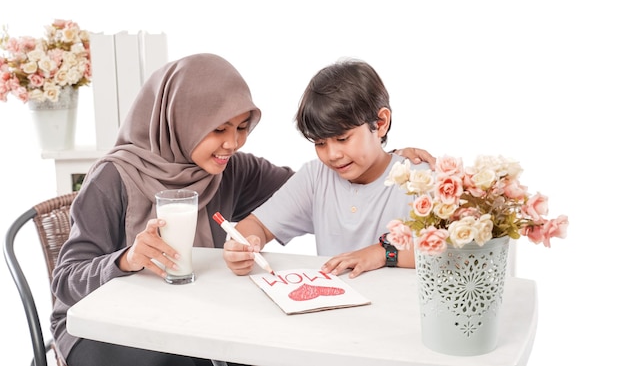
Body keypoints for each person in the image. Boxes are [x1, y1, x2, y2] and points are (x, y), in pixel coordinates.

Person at [50, 53, 434, 366]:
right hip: (105, 325)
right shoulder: (114, 177)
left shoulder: (231, 170)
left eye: (241, 127)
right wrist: (127, 259)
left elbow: (315, 185)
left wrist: (393, 159)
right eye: (218, 129)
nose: (231, 143)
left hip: (188, 320)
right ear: (181, 119)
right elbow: (64, 281)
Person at [223, 58, 430, 279]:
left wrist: (383, 253)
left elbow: (463, 254)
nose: (332, 155)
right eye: (320, 143)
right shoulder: (315, 177)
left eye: (342, 138)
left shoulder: (420, 179)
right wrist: (243, 246)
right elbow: (257, 225)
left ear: (380, 123)